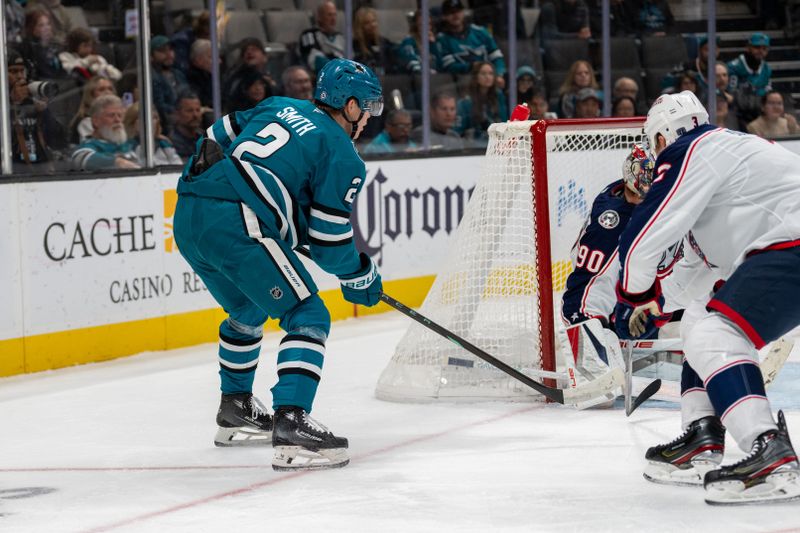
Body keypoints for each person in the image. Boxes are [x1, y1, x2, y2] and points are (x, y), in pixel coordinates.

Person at [172, 58, 384, 470]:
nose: (369, 119)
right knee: (307, 314)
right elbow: (328, 243)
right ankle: (291, 423)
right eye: (369, 108)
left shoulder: (278, 104)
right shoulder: (343, 154)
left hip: (188, 213)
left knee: (247, 308)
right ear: (352, 106)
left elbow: (215, 137)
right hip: (236, 221)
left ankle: (235, 411)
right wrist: (361, 274)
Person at [614, 90, 800, 504]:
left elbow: (642, 238)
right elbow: (700, 270)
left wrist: (630, 296)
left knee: (716, 333)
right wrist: (657, 306)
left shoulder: (693, 149)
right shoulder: (724, 164)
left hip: (794, 243)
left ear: (662, 138)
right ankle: (702, 434)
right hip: (787, 245)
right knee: (701, 318)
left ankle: (768, 451)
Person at [561, 145, 657, 327]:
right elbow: (590, 279)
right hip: (586, 306)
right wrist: (591, 318)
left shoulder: (616, 189)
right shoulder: (612, 222)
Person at [8, 49, 66, 170]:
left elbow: (59, 142)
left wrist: (44, 111)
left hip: (41, 173)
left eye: (22, 71)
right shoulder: (4, 106)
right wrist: (11, 103)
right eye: (13, 71)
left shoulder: (33, 102)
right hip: (9, 175)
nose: (19, 76)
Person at [436, 0, 506, 88]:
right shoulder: (442, 39)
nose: (455, 15)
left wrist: (499, 74)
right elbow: (449, 67)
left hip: (488, 79)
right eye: (450, 13)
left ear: (463, 12)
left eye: (458, 11)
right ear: (444, 17)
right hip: (461, 82)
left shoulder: (480, 31)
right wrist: (471, 67)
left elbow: (496, 57)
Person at [71, 94, 140, 170]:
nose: (117, 120)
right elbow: (81, 158)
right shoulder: (88, 146)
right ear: (96, 121)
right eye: (111, 115)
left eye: (120, 115)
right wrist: (117, 162)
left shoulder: (129, 145)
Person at [454, 61, 509, 146]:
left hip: (497, 146)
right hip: (474, 147)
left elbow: (504, 123)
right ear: (476, 77)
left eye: (490, 74)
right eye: (483, 74)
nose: (487, 77)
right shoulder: (466, 102)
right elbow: (458, 130)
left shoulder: (499, 96)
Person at [150, 35, 189, 128]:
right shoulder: (152, 77)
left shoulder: (178, 74)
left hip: (185, 115)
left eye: (170, 50)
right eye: (162, 51)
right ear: (151, 56)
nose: (169, 54)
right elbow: (159, 105)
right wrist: (179, 111)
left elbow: (188, 94)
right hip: (167, 121)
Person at [298, 0, 345, 74]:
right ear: (319, 17)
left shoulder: (340, 37)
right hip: (323, 75)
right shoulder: (309, 34)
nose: (333, 19)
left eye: (334, 15)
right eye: (329, 15)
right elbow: (315, 59)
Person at [20, 8, 67, 80]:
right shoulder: (28, 49)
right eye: (41, 25)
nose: (47, 28)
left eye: (48, 24)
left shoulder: (54, 46)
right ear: (31, 28)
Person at [68, 75, 117, 144]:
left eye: (110, 89)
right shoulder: (85, 121)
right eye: (101, 90)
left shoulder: (117, 117)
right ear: (91, 95)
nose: (107, 92)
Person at [352, 6, 398, 76]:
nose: (372, 25)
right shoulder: (355, 46)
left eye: (374, 21)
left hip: (387, 82)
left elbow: (393, 67)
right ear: (360, 26)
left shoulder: (385, 43)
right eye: (367, 23)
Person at [395, 9, 440, 74]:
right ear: (415, 26)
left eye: (428, 24)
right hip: (414, 81)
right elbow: (413, 65)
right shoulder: (408, 42)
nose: (426, 28)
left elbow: (441, 67)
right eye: (421, 25)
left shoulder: (433, 43)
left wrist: (433, 45)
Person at [169, 92, 204, 159]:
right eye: (190, 111)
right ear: (177, 114)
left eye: (198, 110)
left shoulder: (205, 137)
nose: (195, 115)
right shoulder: (171, 143)